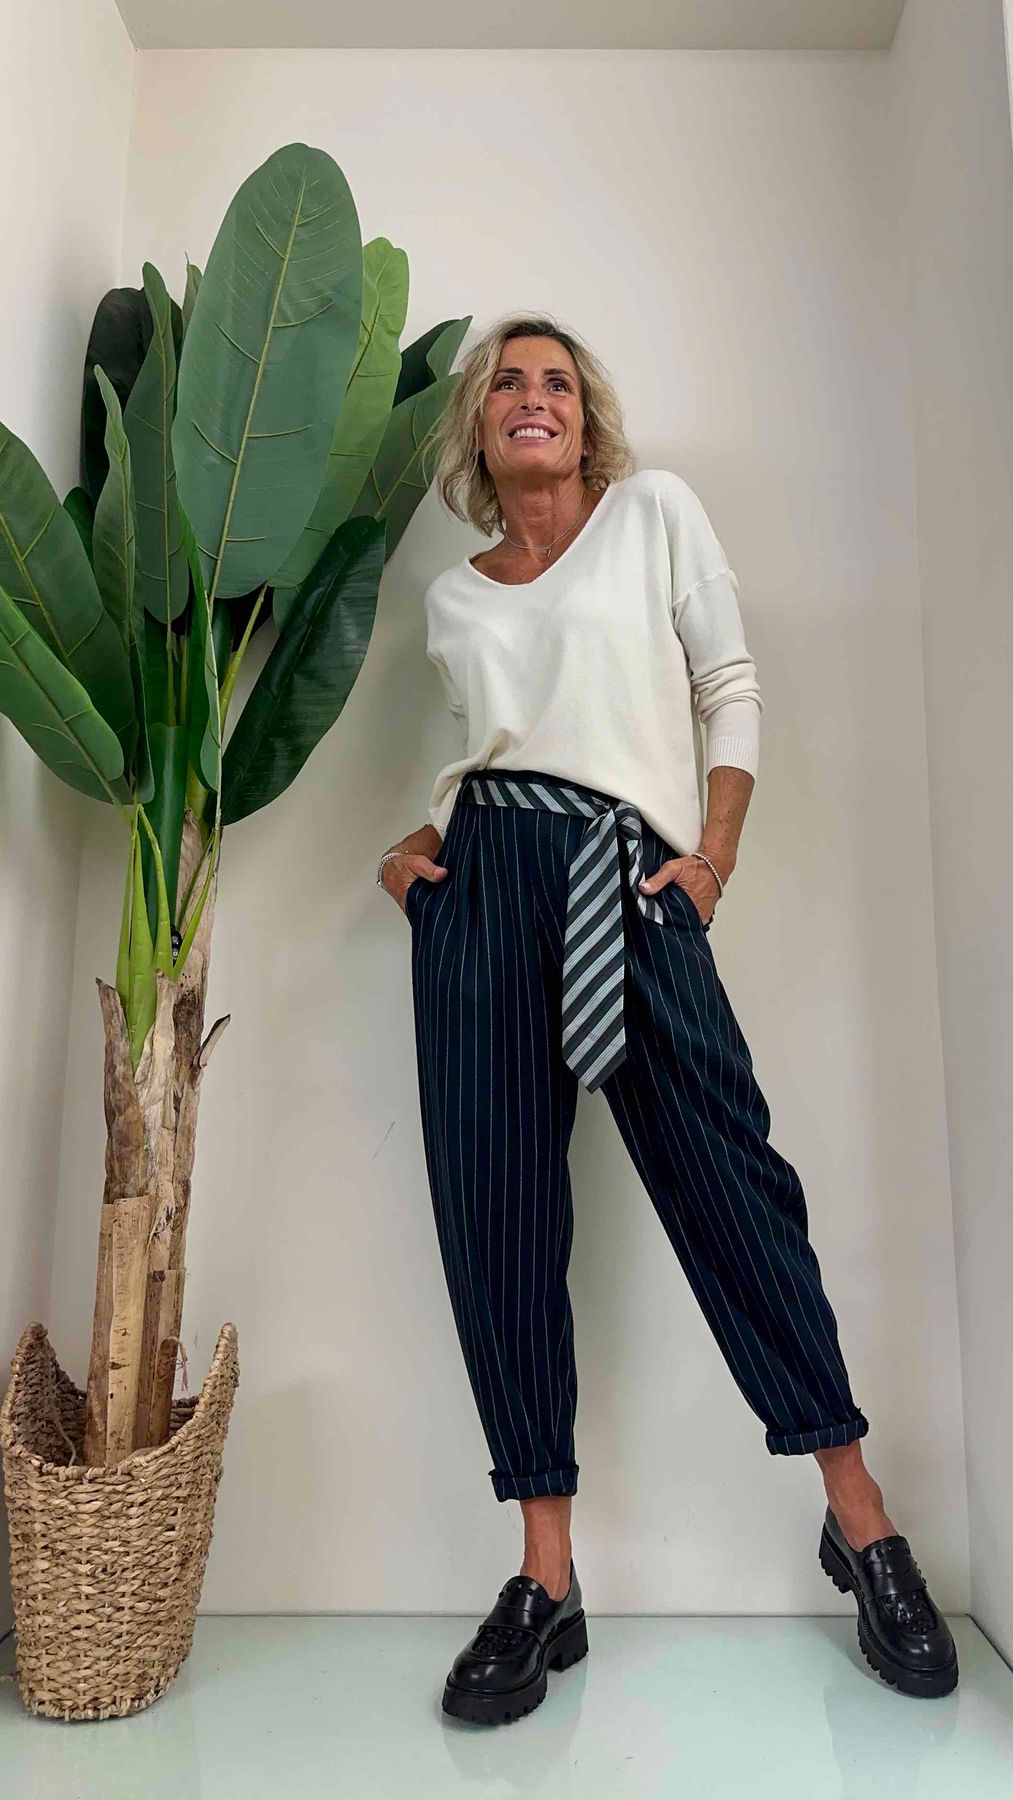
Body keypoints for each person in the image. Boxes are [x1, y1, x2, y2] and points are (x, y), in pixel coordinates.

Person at [376, 313, 958, 1725]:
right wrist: (418, 850)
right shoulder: (453, 598)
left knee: (731, 1187)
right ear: (478, 428)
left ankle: (859, 1517)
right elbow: (492, 751)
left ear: (587, 420)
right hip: (481, 896)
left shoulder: (653, 516)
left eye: (556, 383)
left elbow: (727, 688)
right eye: (506, 384)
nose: (532, 398)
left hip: (628, 883)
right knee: (498, 1218)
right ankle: (547, 1574)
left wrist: (712, 860)